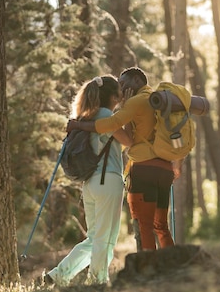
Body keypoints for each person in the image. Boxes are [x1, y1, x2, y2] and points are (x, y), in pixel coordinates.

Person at [67, 67, 181, 251]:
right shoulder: (159, 101)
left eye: (123, 83)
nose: (120, 89)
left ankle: (148, 269)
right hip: (165, 168)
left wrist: (79, 125)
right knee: (161, 226)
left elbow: (112, 124)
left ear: (136, 80)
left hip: (144, 169)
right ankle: (173, 265)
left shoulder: (135, 102)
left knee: (144, 225)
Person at [45, 75, 132, 286]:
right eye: (119, 91)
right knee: (106, 238)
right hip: (108, 179)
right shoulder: (107, 117)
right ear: (113, 96)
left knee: (93, 237)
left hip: (90, 182)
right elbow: (129, 140)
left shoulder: (87, 115)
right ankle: (98, 280)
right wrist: (129, 108)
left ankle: (59, 275)